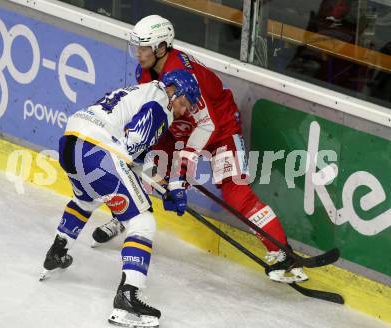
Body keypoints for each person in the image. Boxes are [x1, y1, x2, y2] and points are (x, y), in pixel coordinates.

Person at [93, 15, 308, 284]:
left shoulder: (186, 75)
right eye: (137, 46)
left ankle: (281, 253)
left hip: (219, 129)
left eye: (144, 47)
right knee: (147, 169)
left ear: (162, 47)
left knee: (235, 192)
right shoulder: (144, 70)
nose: (138, 53)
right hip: (177, 127)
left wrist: (180, 177)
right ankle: (124, 217)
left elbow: (207, 125)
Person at [40, 70, 201, 328]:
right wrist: (163, 187)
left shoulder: (144, 90)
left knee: (86, 199)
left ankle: (57, 252)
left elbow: (129, 154)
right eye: (183, 104)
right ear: (172, 90)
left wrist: (161, 185)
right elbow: (130, 150)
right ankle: (128, 297)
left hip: (70, 143)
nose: (182, 112)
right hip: (96, 151)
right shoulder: (160, 105)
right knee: (143, 221)